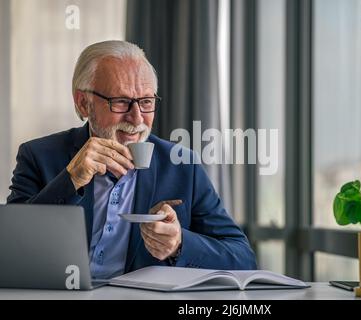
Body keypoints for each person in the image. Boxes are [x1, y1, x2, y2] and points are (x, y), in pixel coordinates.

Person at [7, 40, 257, 279]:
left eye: (146, 102)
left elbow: (242, 258)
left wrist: (179, 244)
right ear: (84, 104)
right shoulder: (38, 156)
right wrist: (70, 180)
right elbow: (11, 250)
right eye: (122, 102)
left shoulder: (182, 165)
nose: (137, 118)